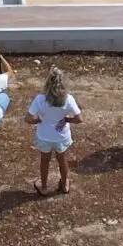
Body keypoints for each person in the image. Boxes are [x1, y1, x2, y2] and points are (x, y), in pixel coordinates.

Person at [28, 65, 81, 195]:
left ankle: (44, 187)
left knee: (44, 160)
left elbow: (28, 118)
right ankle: (64, 185)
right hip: (61, 136)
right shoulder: (68, 99)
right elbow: (79, 119)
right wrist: (67, 120)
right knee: (62, 160)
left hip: (44, 136)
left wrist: (38, 121)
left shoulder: (40, 99)